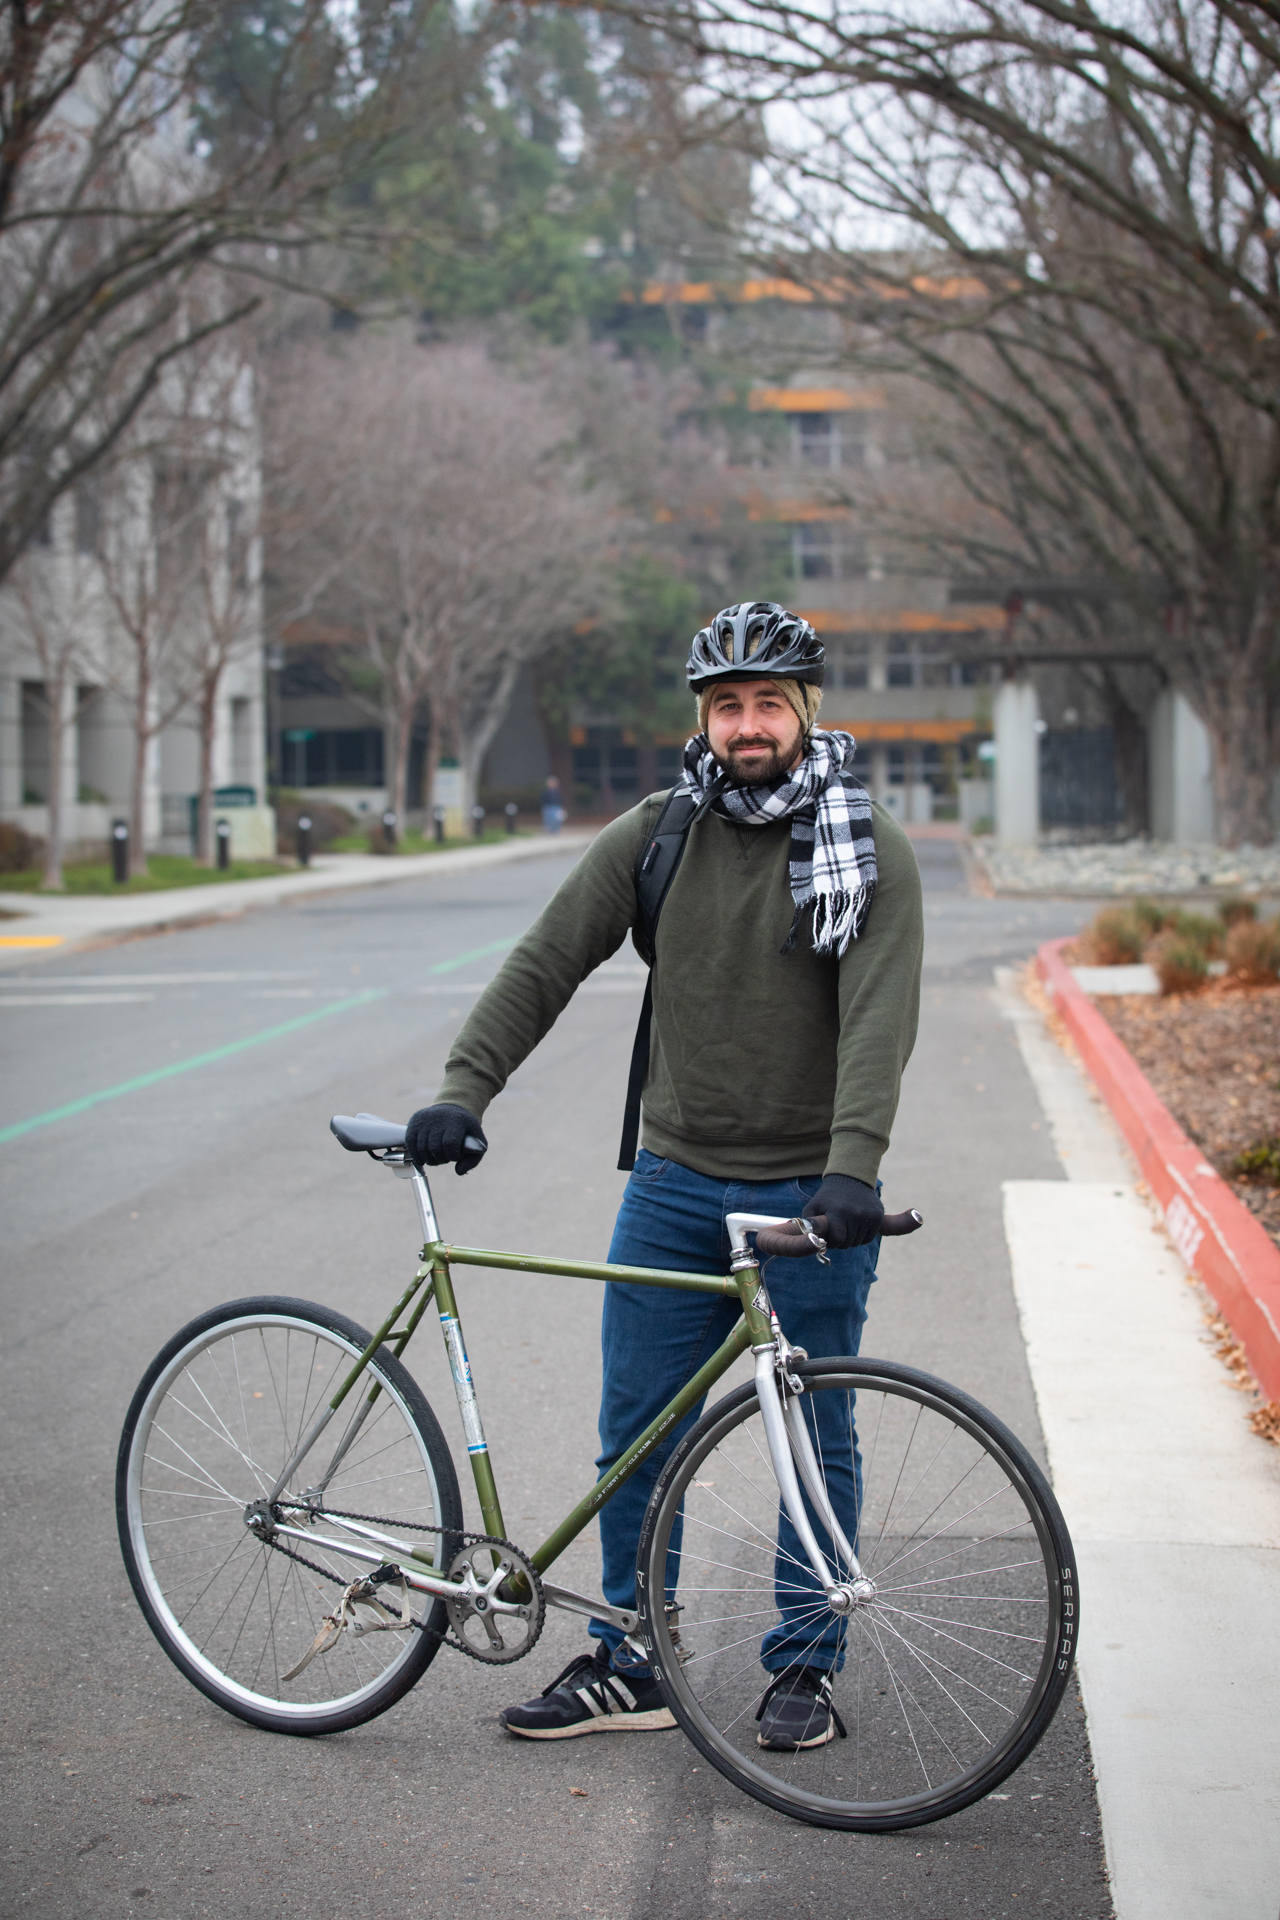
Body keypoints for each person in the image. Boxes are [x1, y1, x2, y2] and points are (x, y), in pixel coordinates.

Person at [406, 602, 923, 1751]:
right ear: (704, 718)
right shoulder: (657, 834)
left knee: (811, 1432)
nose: (747, 725)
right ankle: (630, 1654)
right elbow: (545, 960)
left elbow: (877, 1022)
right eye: (727, 705)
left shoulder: (863, 846)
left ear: (804, 714)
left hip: (805, 1201)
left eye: (767, 705)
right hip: (676, 1180)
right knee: (636, 1431)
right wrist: (463, 1085)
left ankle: (804, 1665)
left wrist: (852, 1170)